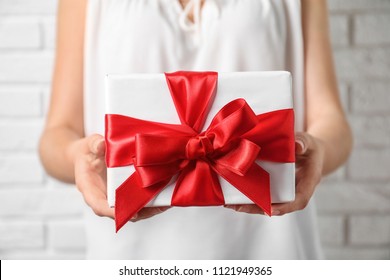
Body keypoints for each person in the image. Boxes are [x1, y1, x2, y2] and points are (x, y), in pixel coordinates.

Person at [39, 0, 352, 259]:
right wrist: (79, 157)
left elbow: (331, 121)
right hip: (131, 254)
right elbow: (58, 133)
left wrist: (318, 149)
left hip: (272, 249)